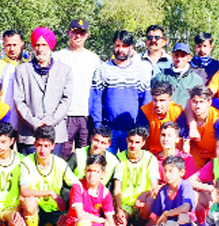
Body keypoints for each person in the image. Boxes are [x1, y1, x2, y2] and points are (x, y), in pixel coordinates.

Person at [19, 125, 78, 226]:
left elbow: (76, 185)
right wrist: (51, 193)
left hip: (55, 209)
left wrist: (73, 210)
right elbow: (24, 190)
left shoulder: (60, 163)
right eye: (39, 145)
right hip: (36, 209)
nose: (42, 150)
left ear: (52, 146)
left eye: (46, 146)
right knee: (29, 201)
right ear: (34, 144)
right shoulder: (26, 162)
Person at [90, 30, 152, 153]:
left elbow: (145, 100)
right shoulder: (103, 69)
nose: (120, 50)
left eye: (124, 46)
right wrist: (98, 125)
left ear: (131, 48)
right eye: (118, 45)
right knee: (106, 165)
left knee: (129, 165)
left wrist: (141, 126)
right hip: (108, 129)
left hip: (132, 130)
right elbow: (95, 99)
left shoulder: (140, 71)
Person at [13, 27, 72, 155]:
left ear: (50, 46)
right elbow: (19, 101)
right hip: (29, 134)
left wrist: (51, 121)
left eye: (44, 45)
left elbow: (66, 100)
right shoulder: (22, 70)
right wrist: (35, 123)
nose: (40, 49)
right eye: (37, 45)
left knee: (53, 172)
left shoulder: (65, 70)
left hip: (55, 132)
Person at [59, 154, 125, 226]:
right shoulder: (78, 187)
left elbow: (110, 218)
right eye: (89, 170)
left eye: (96, 171)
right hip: (76, 225)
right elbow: (80, 215)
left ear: (103, 174)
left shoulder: (105, 192)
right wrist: (102, 221)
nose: (92, 175)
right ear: (85, 171)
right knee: (84, 223)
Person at [52, 19, 102, 159]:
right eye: (75, 32)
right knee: (62, 155)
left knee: (85, 157)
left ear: (87, 35)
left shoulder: (93, 59)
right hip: (65, 115)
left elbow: (97, 91)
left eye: (82, 32)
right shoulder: (58, 57)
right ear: (68, 33)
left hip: (86, 116)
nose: (78, 36)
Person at [113, 127, 160, 226]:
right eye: (131, 141)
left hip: (142, 202)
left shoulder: (150, 159)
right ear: (126, 140)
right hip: (125, 203)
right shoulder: (119, 159)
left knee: (150, 202)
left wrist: (145, 195)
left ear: (143, 143)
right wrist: (119, 209)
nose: (133, 145)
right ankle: (128, 224)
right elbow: (117, 188)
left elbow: (154, 187)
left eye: (137, 142)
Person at [0, 29, 26, 127]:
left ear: (22, 44)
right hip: (1, 118)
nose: (12, 49)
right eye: (8, 45)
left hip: (23, 120)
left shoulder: (27, 66)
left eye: (15, 45)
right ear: (3, 45)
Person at [151, 42, 207, 107]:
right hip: (166, 116)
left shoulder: (196, 79)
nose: (179, 59)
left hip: (186, 116)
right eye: (176, 55)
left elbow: (200, 103)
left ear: (189, 57)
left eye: (183, 55)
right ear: (172, 56)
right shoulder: (161, 76)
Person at [137, 80, 184, 155]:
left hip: (172, 152)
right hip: (151, 152)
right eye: (155, 100)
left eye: (162, 100)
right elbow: (142, 138)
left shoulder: (178, 111)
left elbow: (182, 138)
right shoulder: (145, 111)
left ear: (170, 100)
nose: (158, 104)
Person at [187, 86, 219, 169]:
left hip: (216, 151)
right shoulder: (188, 116)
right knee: (189, 172)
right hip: (198, 150)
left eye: (201, 102)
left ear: (209, 102)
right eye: (195, 102)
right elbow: (184, 142)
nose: (198, 106)